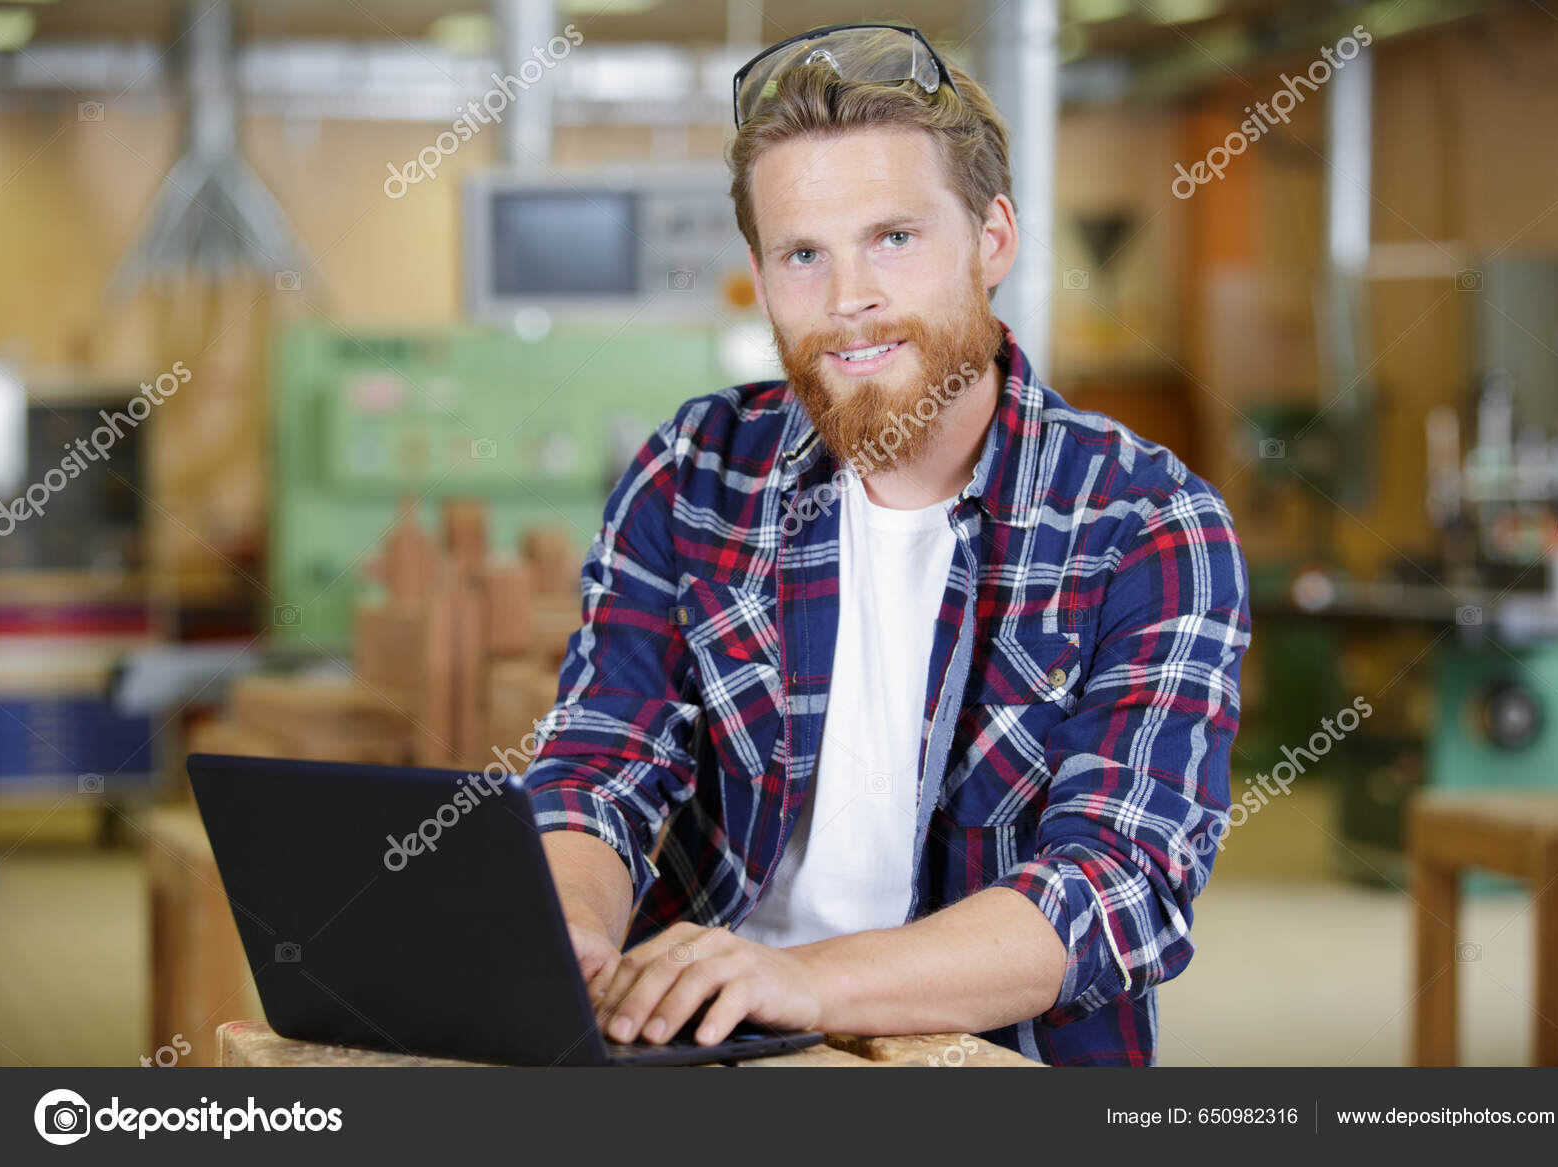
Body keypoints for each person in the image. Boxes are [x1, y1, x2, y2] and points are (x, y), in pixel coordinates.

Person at [521, 22, 1250, 1067]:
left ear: (992, 239)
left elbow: (1117, 886)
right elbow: (598, 763)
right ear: (761, 274)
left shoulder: (1146, 525)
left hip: (985, 1067)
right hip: (698, 1045)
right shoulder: (693, 473)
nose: (848, 297)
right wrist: (577, 941)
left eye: (893, 239)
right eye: (803, 254)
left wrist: (802, 980)